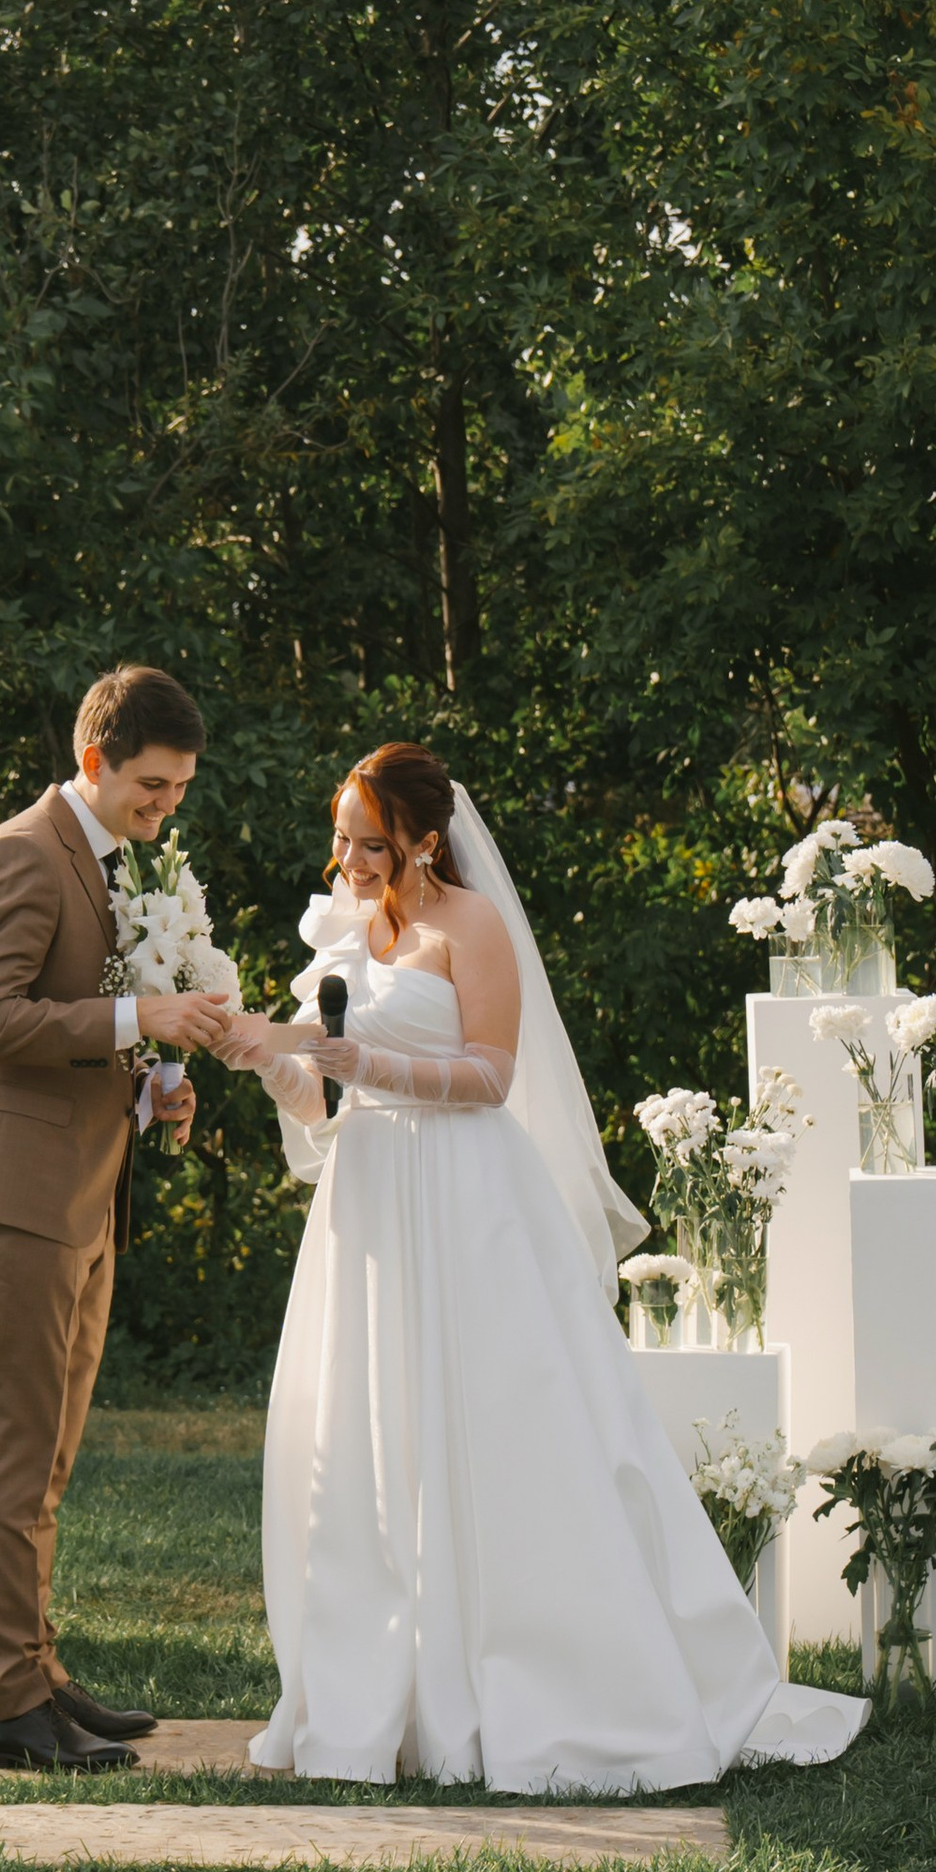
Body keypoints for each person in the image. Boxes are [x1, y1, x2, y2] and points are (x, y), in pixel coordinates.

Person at [208, 744, 869, 1791]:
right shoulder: (343, 926)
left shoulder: (473, 926)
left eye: (371, 844)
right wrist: (271, 1061)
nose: (349, 861)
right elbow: (323, 1100)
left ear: (426, 841)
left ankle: (551, 1678)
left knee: (504, 1426)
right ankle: (389, 1695)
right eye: (340, 838)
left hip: (465, 1194)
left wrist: (366, 1062)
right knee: (374, 1430)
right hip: (370, 1202)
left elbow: (490, 1075)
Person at [0, 663, 220, 1769]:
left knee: (47, 1456)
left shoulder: (109, 860)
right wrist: (140, 1015)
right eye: (152, 785)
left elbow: (81, 1019)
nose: (166, 807)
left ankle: (39, 1673)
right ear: (95, 761)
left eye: (179, 789)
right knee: (14, 1452)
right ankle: (7, 1706)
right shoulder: (19, 852)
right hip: (17, 1193)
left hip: (81, 1190)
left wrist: (154, 1084)